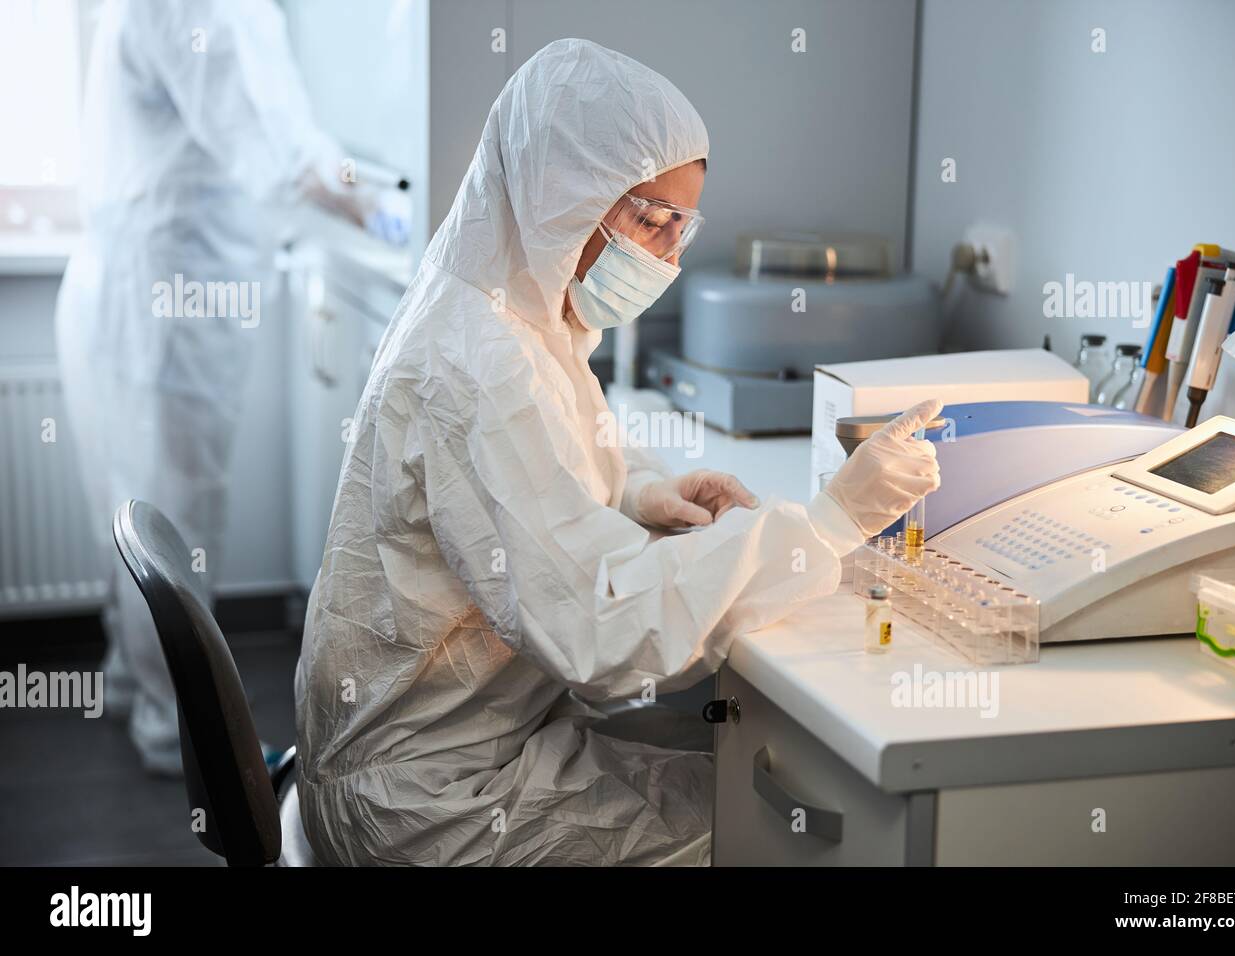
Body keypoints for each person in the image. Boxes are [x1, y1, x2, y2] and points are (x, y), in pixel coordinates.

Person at [294, 38, 940, 865]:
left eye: (681, 225)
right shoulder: (474, 361)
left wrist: (637, 494)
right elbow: (604, 632)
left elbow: (555, 458)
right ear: (562, 196)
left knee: (745, 766)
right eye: (649, 220)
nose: (667, 256)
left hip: (471, 740)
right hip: (431, 805)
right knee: (781, 829)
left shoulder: (515, 314)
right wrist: (829, 522)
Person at [56, 0, 372, 775]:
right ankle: (190, 739)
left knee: (129, 511)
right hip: (169, 301)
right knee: (173, 519)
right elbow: (283, 146)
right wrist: (396, 204)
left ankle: (134, 686)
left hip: (124, 285)